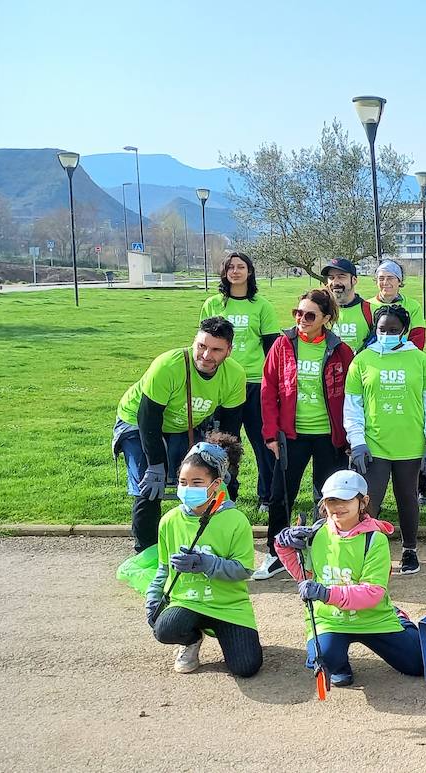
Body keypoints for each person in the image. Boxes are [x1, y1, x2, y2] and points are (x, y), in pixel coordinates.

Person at [273, 470, 423, 687]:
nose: (337, 506)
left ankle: (399, 618)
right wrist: (283, 545)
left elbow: (372, 592)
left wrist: (326, 593)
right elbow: (305, 576)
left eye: (345, 499)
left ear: (363, 502)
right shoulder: (315, 534)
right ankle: (338, 664)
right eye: (331, 501)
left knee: (417, 665)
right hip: (329, 619)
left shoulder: (375, 539)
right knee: (323, 661)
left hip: (374, 618)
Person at [114, 317, 247, 553]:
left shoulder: (234, 375)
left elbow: (229, 428)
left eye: (216, 350)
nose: (206, 356)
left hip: (186, 423)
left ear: (229, 351)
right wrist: (155, 465)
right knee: (150, 485)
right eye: (201, 346)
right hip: (138, 422)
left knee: (208, 477)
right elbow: (148, 419)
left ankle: (207, 544)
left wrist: (226, 465)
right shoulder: (168, 365)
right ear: (194, 342)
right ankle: (146, 552)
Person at [256, 288, 355, 580]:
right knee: (279, 495)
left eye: (309, 315)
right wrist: (271, 433)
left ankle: (324, 551)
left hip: (329, 436)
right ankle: (276, 553)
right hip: (292, 436)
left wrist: (349, 436)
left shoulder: (340, 350)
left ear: (326, 318)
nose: (302, 319)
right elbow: (268, 390)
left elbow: (352, 395)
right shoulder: (282, 345)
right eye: (298, 313)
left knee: (328, 497)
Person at [144, 435, 261, 677]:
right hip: (186, 601)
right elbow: (163, 569)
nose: (188, 489)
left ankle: (228, 636)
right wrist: (153, 599)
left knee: (247, 667)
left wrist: (205, 564)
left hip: (229, 605)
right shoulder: (169, 521)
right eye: (183, 482)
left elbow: (243, 570)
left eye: (197, 482)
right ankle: (191, 639)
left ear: (216, 484)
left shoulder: (236, 520)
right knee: (164, 629)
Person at [343, 304, 426, 575]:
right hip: (374, 444)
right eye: (382, 329)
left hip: (410, 445)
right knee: (368, 500)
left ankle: (409, 550)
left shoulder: (420, 361)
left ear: (405, 332)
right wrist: (357, 440)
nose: (387, 334)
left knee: (407, 498)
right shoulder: (363, 360)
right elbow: (353, 405)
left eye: (394, 330)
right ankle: (366, 551)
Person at [200, 251, 281, 508]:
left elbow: (272, 348)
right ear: (224, 272)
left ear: (250, 271)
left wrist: (274, 384)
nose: (236, 271)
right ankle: (226, 492)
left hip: (255, 383)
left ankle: (266, 496)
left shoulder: (262, 306)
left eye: (241, 267)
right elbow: (203, 346)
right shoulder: (214, 304)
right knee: (224, 442)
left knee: (262, 443)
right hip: (223, 383)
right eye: (231, 267)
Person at [369, 260, 426, 350]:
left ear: (399, 281)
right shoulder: (367, 305)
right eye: (381, 278)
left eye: (390, 278)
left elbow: (418, 337)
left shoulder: (413, 306)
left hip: (404, 358)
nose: (385, 282)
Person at [323, 257, 376, 353]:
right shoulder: (322, 310)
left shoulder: (371, 310)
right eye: (331, 277)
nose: (335, 282)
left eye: (341, 277)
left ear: (354, 280)